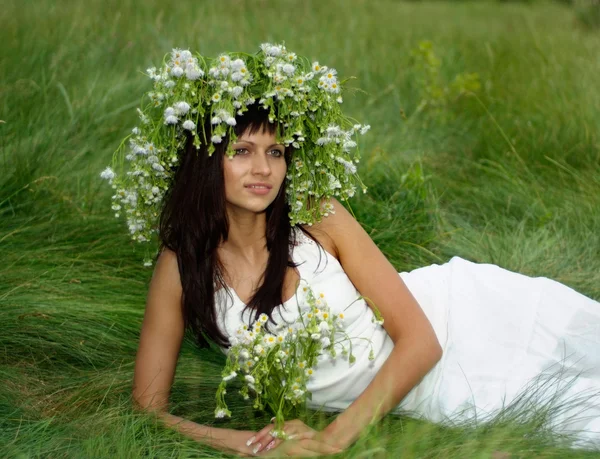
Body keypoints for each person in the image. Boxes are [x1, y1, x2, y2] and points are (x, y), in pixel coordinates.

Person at [102, 44, 600, 457]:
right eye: (242, 151)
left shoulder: (317, 217)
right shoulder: (180, 268)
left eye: (276, 151)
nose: (264, 169)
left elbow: (422, 342)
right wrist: (252, 444)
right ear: (207, 162)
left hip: (462, 315)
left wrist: (333, 439)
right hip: (431, 391)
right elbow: (148, 409)